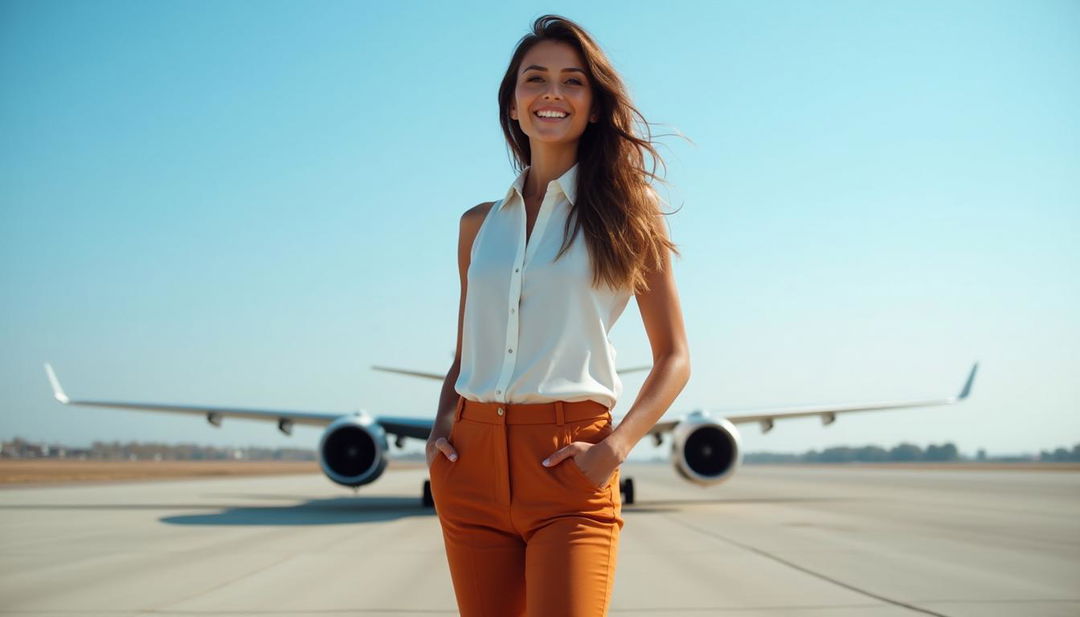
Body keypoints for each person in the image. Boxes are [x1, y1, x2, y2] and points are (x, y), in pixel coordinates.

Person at [425, 14, 691, 617]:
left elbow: (675, 357)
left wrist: (614, 450)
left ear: (594, 106)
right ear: (514, 103)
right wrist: (442, 427)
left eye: (572, 81)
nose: (551, 92)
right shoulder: (477, 226)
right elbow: (467, 354)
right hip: (468, 468)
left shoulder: (628, 212)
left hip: (571, 464)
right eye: (534, 78)